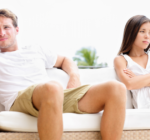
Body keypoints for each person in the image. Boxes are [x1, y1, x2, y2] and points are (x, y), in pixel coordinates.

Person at [0, 8, 126, 140]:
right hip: (21, 100)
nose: (2, 32)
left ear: (17, 30)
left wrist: (74, 76)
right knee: (52, 87)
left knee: (116, 88)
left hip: (53, 96)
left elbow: (65, 60)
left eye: (6, 27)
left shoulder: (36, 49)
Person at [114, 15, 150, 109]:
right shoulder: (121, 60)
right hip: (143, 112)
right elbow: (129, 84)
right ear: (131, 33)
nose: (147, 36)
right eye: (142, 31)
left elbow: (134, 83)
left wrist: (138, 79)